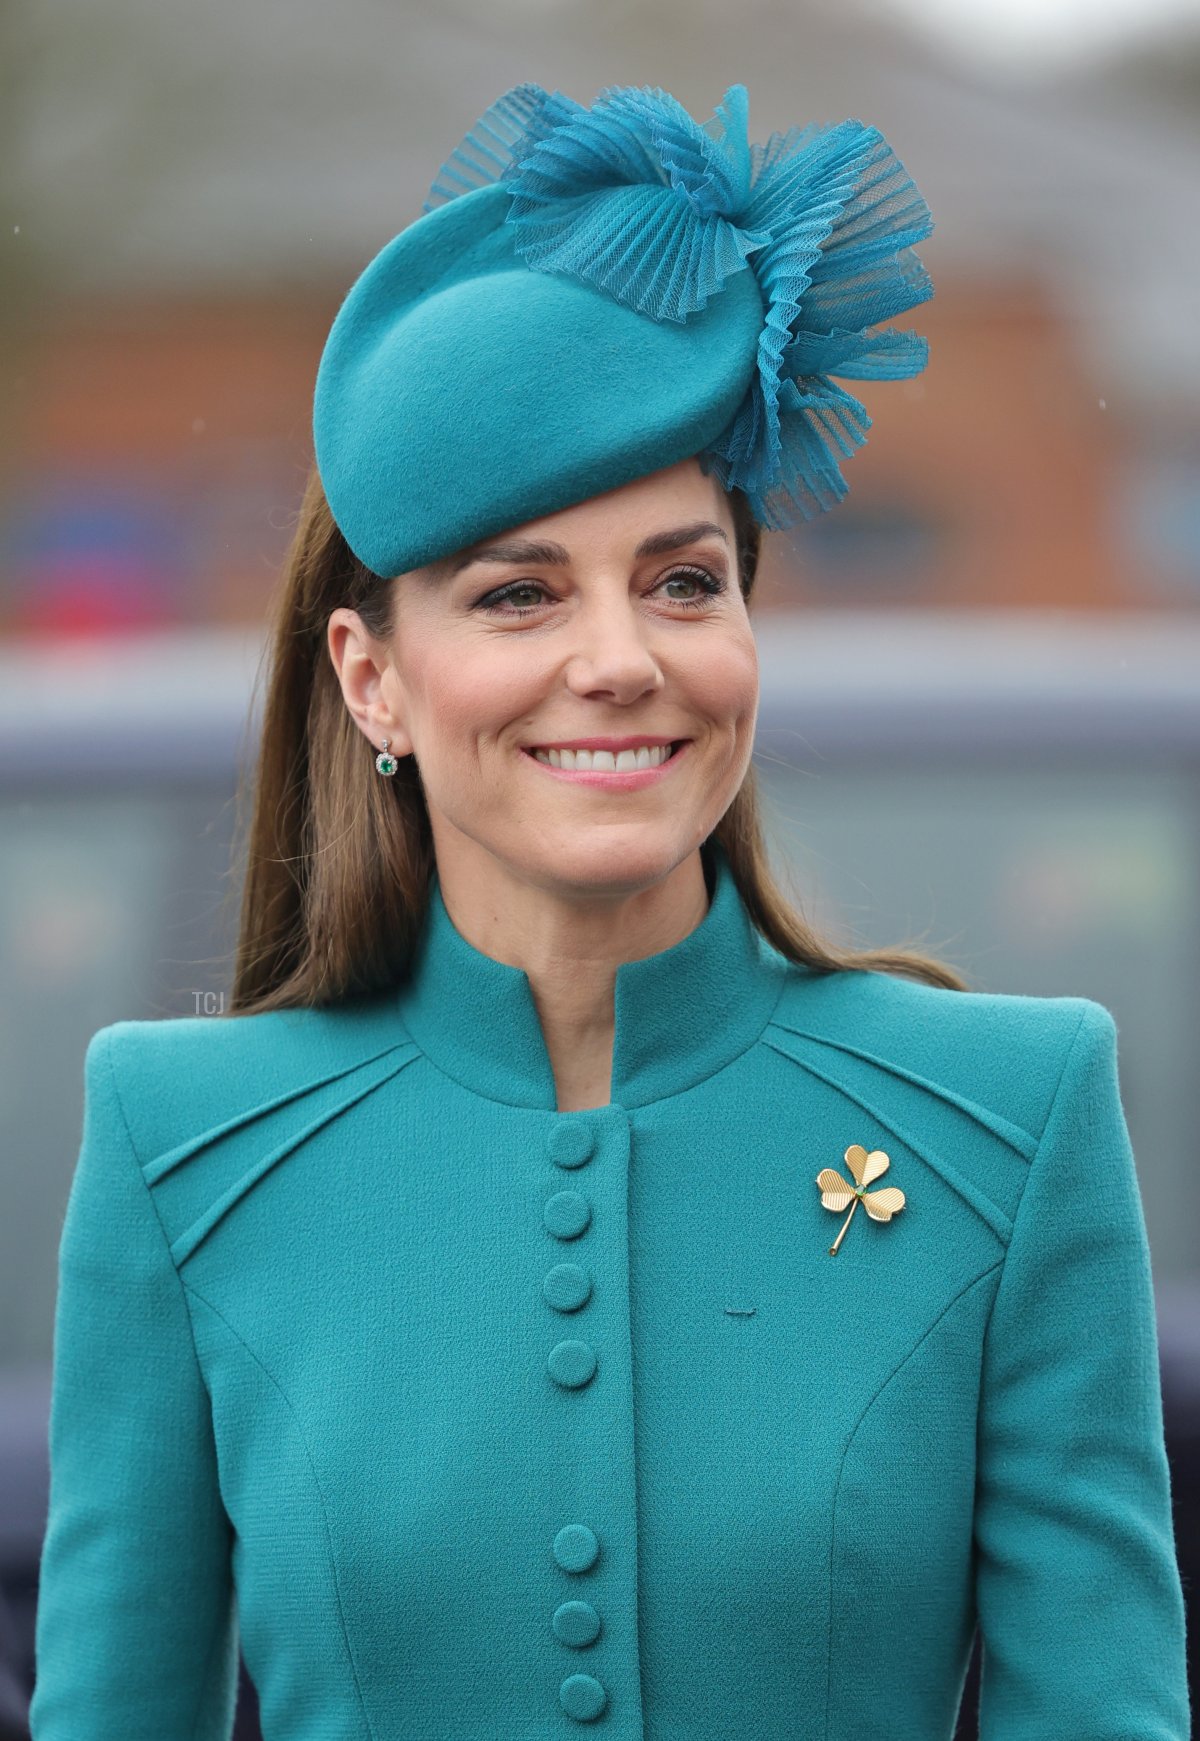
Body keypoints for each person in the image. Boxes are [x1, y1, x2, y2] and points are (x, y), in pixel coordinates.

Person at [29, 79, 1190, 1741]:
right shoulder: (178, 1141)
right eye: (519, 593)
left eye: (682, 579)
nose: (623, 658)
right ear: (374, 679)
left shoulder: (1007, 1118)